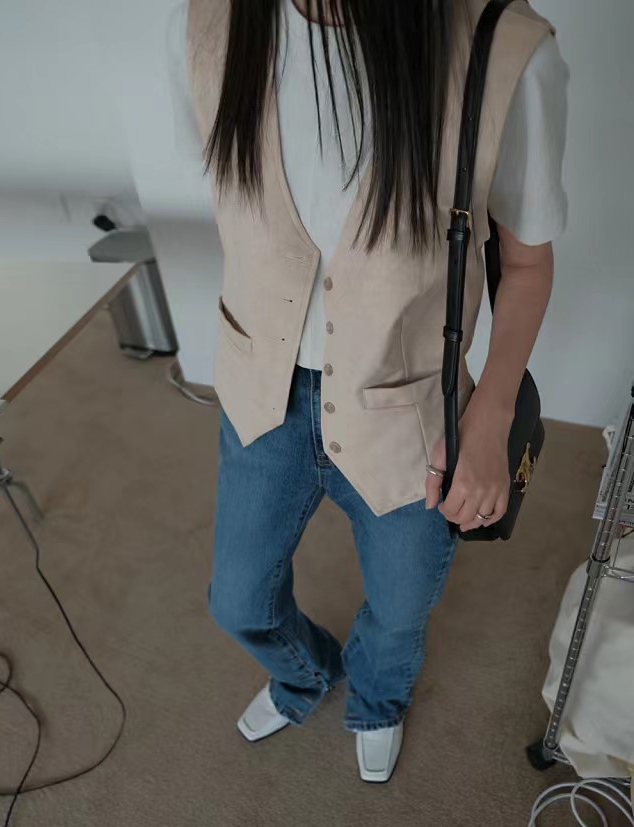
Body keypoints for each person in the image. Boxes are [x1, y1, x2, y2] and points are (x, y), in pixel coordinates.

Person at [167, 0, 569, 782]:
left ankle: (379, 699)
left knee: (401, 605)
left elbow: (525, 262)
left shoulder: (503, 49)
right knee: (237, 599)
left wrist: (490, 418)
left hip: (410, 413)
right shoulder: (206, 22)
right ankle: (304, 673)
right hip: (262, 391)